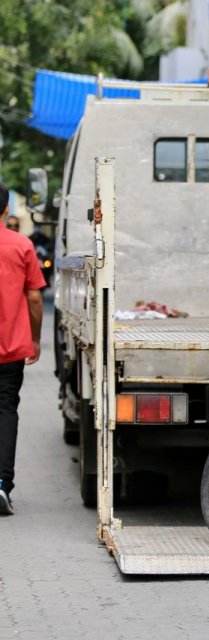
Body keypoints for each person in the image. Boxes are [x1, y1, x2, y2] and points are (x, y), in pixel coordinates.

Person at [0, 182, 46, 516]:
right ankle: (1, 485)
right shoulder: (21, 245)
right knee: (6, 411)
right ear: (6, 210)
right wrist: (35, 338)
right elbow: (34, 297)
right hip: (11, 348)